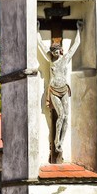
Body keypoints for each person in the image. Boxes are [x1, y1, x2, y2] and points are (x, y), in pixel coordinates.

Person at [37, 20, 83, 162]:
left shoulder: (65, 59)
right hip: (54, 91)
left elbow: (76, 45)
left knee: (66, 117)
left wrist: (78, 30)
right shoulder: (51, 60)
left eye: (57, 50)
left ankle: (61, 142)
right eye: (53, 51)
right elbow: (40, 44)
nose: (55, 52)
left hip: (64, 90)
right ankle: (56, 141)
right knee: (61, 115)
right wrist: (37, 30)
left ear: (60, 50)